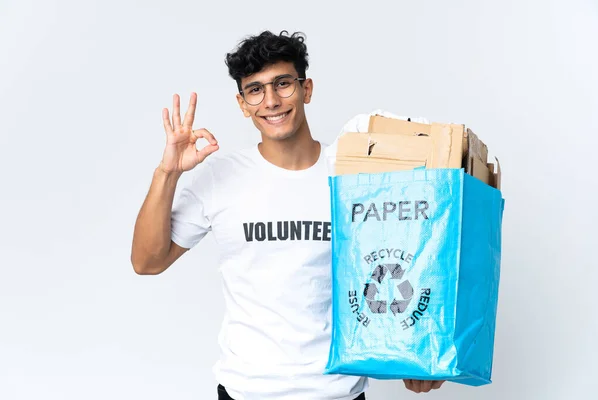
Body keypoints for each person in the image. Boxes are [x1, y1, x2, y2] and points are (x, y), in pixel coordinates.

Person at [131, 30, 444, 399]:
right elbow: (147, 261)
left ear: (306, 89)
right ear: (242, 103)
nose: (271, 101)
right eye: (256, 90)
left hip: (338, 391)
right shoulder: (219, 177)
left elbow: (404, 259)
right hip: (247, 391)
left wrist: (421, 356)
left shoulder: (354, 174)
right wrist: (168, 172)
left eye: (283, 84)